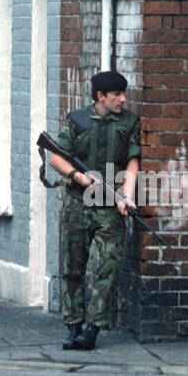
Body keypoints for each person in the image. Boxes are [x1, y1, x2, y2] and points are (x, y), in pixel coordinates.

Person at [46, 70, 141, 351]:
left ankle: (93, 328)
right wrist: (79, 177)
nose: (123, 99)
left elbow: (132, 162)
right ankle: (73, 326)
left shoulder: (130, 122)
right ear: (101, 96)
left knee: (110, 265)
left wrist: (127, 196)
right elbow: (55, 158)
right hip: (78, 203)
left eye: (124, 94)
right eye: (117, 95)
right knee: (72, 266)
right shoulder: (78, 120)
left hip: (110, 205)